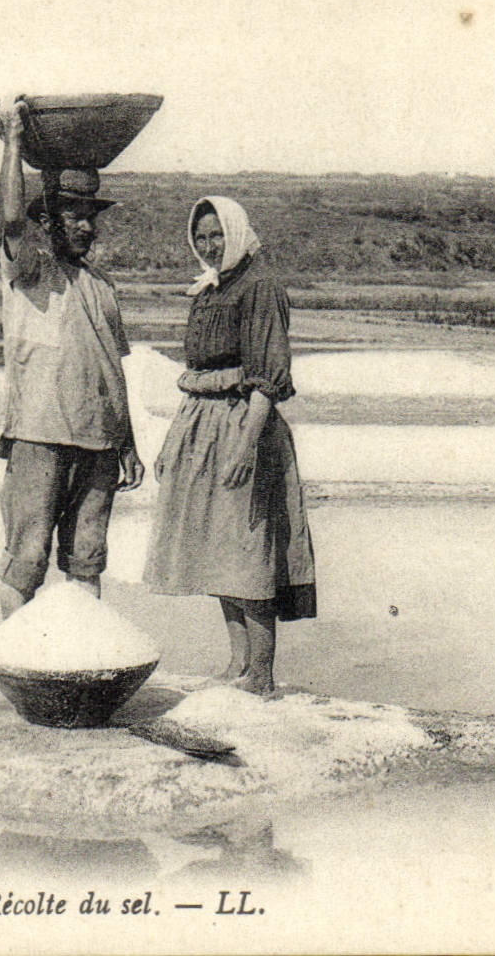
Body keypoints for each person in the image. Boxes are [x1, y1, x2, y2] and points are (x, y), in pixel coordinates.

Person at [143, 196, 316, 696]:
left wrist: (245, 444)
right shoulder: (210, 288)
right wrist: (175, 441)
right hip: (203, 425)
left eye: (217, 235)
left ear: (236, 233)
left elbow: (267, 376)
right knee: (219, 549)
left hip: (244, 423)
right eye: (200, 237)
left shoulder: (260, 286)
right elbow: (199, 374)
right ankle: (238, 662)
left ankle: (260, 671)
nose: (209, 245)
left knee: (247, 548)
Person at [0, 98, 143, 618]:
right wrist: (14, 141)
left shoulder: (102, 285)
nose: (85, 226)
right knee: (26, 560)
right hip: (40, 435)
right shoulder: (30, 270)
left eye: (89, 216)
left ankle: (84, 656)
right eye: (72, 215)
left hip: (99, 443)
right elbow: (10, 217)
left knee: (87, 562)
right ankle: (14, 655)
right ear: (47, 220)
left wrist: (127, 443)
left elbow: (112, 371)